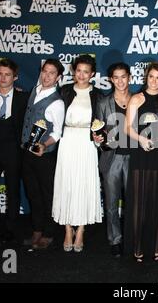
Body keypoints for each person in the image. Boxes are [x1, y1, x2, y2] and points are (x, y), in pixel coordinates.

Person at [124, 62, 158, 262]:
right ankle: (137, 246)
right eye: (151, 76)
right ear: (146, 77)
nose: (154, 81)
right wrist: (142, 140)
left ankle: (157, 246)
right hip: (142, 152)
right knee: (139, 202)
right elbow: (127, 128)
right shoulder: (136, 98)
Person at [52, 55, 102, 253]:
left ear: (92, 74)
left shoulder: (98, 95)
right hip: (67, 141)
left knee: (84, 184)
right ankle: (67, 229)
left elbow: (102, 122)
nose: (81, 75)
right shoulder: (63, 91)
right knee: (67, 184)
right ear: (73, 71)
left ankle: (80, 230)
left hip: (87, 143)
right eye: (78, 70)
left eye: (86, 71)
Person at [0, 58, 29, 243]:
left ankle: (11, 227)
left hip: (13, 149)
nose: (3, 77)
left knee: (13, 190)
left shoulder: (22, 97)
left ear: (15, 77)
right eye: (0, 73)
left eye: (7, 74)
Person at [21, 59, 65, 249]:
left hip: (44, 156)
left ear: (58, 77)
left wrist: (43, 145)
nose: (46, 76)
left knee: (47, 194)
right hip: (26, 152)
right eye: (44, 72)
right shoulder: (34, 90)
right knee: (33, 194)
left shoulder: (57, 102)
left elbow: (57, 132)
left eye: (51, 73)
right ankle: (36, 230)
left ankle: (48, 232)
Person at [93, 62, 132, 258]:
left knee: (133, 202)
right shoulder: (102, 103)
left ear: (130, 77)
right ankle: (115, 240)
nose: (120, 81)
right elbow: (98, 131)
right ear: (110, 79)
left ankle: (133, 238)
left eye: (123, 76)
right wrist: (97, 139)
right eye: (115, 77)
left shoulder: (138, 99)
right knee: (111, 203)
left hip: (135, 158)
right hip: (112, 158)